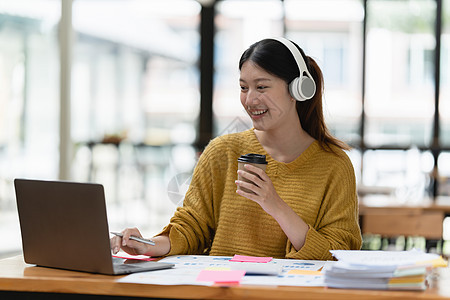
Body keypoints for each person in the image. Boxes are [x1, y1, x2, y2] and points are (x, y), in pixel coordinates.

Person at [111, 37, 362, 260]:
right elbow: (191, 228)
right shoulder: (222, 152)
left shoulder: (334, 165)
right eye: (244, 87)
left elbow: (340, 253)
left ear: (298, 88)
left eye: (261, 87)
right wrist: (148, 245)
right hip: (224, 290)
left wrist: (275, 205)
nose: (250, 100)